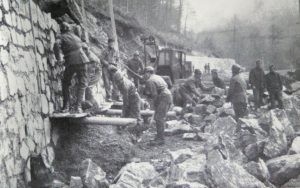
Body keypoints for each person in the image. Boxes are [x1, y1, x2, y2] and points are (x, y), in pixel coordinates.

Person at [54, 22, 89, 113]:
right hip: (83, 60)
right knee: (82, 84)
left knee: (65, 83)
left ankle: (66, 106)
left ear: (62, 30)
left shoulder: (62, 37)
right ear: (69, 29)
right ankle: (78, 107)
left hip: (71, 61)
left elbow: (56, 45)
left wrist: (58, 58)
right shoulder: (75, 36)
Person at [144, 66, 172, 145]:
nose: (144, 75)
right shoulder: (157, 77)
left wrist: (155, 105)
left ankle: (161, 139)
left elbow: (154, 95)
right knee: (158, 117)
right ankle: (159, 136)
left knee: (159, 118)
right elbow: (167, 85)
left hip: (164, 97)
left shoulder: (150, 80)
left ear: (148, 73)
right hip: (167, 95)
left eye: (145, 73)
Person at [82, 43, 101, 110]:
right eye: (83, 49)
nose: (83, 51)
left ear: (87, 49)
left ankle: (94, 105)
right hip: (91, 71)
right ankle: (89, 104)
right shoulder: (85, 54)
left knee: (88, 86)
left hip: (96, 73)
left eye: (85, 49)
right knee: (86, 86)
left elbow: (90, 72)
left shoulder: (92, 58)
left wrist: (86, 80)